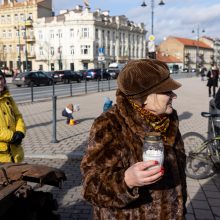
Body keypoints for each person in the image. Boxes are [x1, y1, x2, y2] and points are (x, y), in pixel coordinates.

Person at [81, 59, 187, 219]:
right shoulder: (110, 124)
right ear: (143, 97)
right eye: (166, 92)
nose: (174, 95)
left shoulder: (168, 120)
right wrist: (126, 180)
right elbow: (90, 185)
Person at [0, 70, 26, 163]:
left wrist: (20, 132)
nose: (0, 82)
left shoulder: (8, 98)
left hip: (14, 152)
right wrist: (12, 136)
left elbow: (18, 116)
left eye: (1, 78)